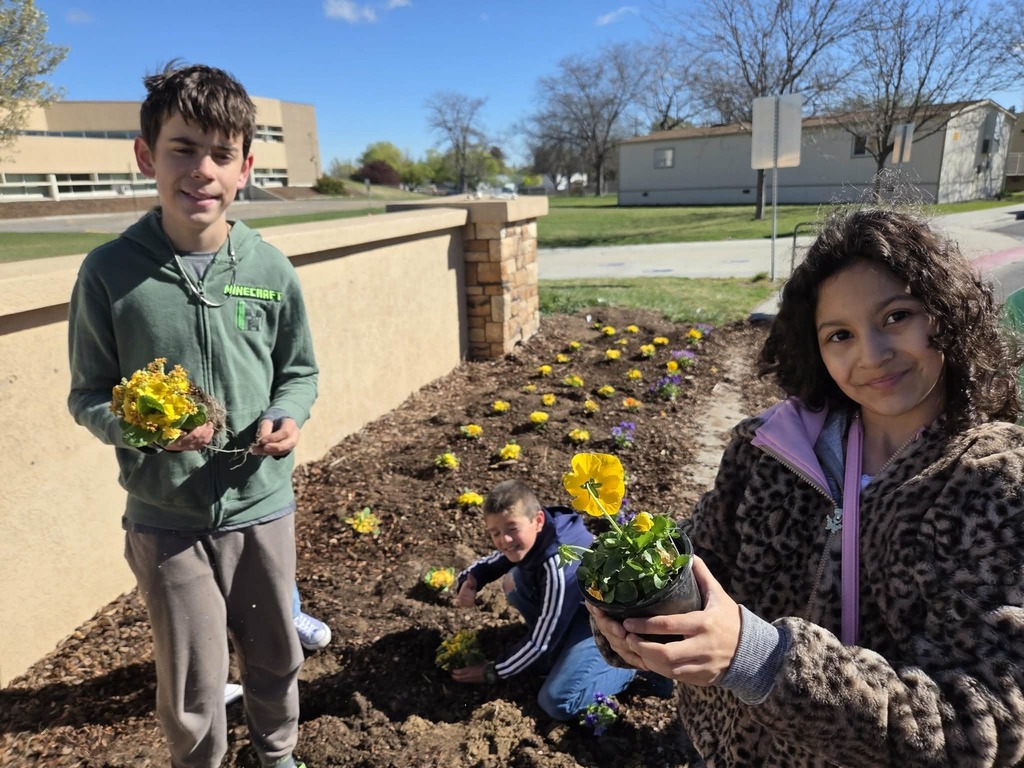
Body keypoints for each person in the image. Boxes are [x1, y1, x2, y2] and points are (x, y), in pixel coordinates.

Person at [589, 206, 1024, 766]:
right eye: (839, 334)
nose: (871, 354)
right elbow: (697, 571)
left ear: (945, 313)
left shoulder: (994, 483)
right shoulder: (767, 450)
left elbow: (982, 726)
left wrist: (761, 659)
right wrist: (630, 622)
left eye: (896, 316)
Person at [67, 62, 317, 768]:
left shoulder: (269, 270)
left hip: (262, 510)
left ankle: (277, 756)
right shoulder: (112, 274)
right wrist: (144, 430)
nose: (201, 170)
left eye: (220, 154)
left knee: (275, 655)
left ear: (245, 167)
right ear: (147, 156)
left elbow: (299, 372)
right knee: (194, 681)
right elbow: (88, 394)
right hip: (166, 519)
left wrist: (287, 413)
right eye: (183, 149)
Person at [452, 479, 655, 721]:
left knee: (555, 701)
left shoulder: (558, 564)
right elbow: (499, 557)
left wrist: (493, 671)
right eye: (495, 532)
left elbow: (541, 641)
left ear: (537, 520)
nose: (504, 539)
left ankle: (630, 666)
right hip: (580, 609)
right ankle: (565, 653)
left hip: (610, 625)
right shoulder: (539, 532)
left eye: (511, 528)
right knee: (514, 580)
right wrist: (472, 580)